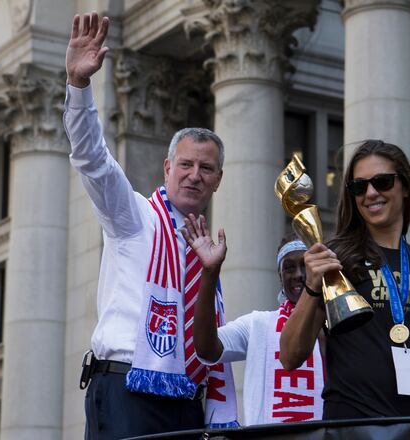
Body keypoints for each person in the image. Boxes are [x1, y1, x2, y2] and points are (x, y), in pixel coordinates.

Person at [64, 12, 237, 439]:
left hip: (188, 400)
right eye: (186, 164)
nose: (195, 174)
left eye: (207, 168)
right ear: (167, 168)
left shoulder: (207, 249)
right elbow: (93, 160)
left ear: (218, 181)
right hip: (127, 390)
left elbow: (212, 345)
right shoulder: (134, 217)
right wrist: (79, 86)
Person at [278, 140, 410, 418]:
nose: (371, 193)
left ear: (405, 186)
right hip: (354, 424)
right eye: (359, 187)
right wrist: (313, 287)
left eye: (382, 182)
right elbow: (290, 356)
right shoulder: (336, 256)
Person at [185, 228, 325, 425]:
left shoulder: (334, 322)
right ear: (280, 277)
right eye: (289, 268)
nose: (299, 275)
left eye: (306, 266)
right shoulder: (258, 325)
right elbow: (207, 348)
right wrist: (210, 272)